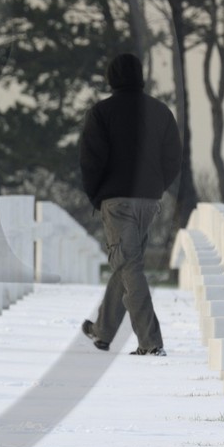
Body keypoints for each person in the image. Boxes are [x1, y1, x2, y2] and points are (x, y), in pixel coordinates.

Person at [78, 52, 181, 355]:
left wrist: (97, 195)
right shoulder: (160, 111)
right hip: (148, 202)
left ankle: (151, 342)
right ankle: (102, 331)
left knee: (129, 266)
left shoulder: (101, 113)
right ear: (140, 76)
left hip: (117, 200)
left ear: (111, 78)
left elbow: (91, 160)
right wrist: (156, 187)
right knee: (126, 264)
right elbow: (173, 158)